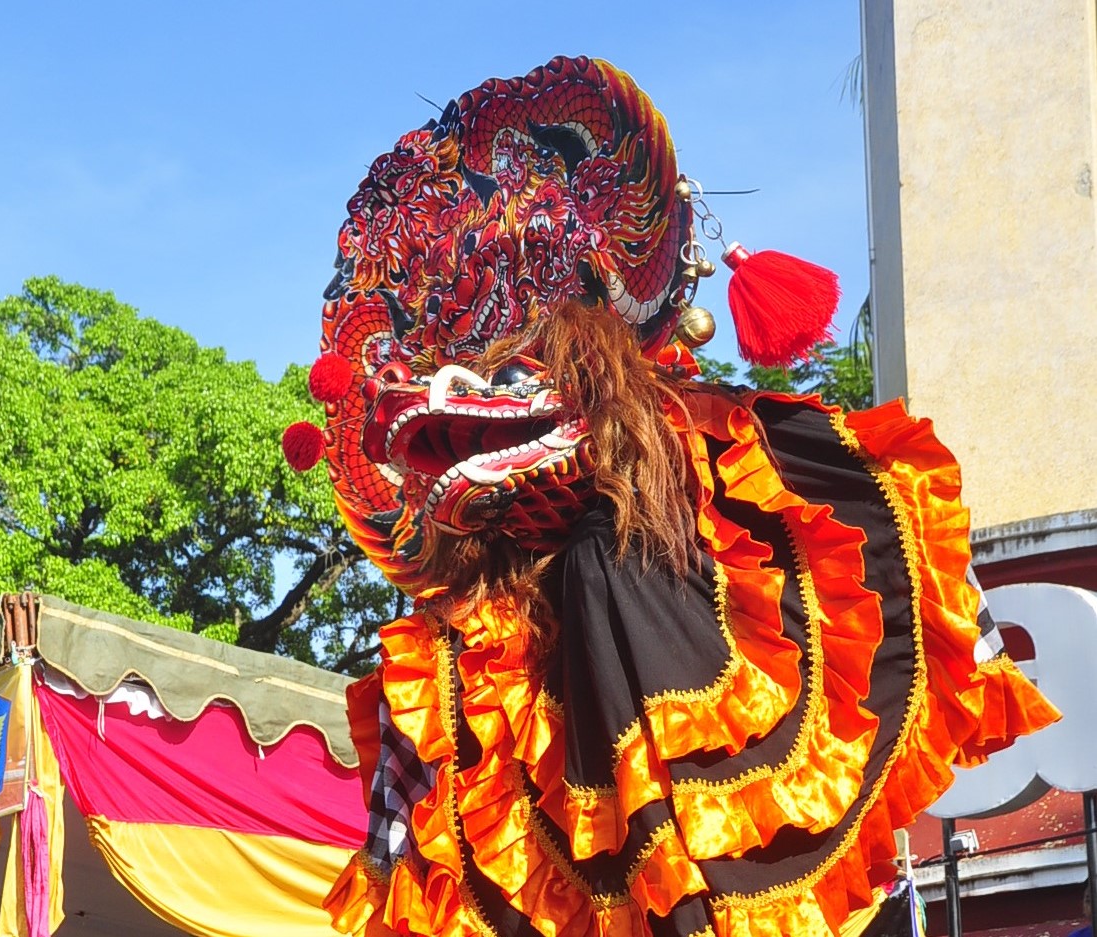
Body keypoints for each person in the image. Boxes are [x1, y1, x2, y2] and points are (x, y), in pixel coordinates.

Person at [285, 55, 1059, 937]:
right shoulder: (446, 665)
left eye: (519, 364)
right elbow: (406, 874)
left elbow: (944, 606)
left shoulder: (751, 471)